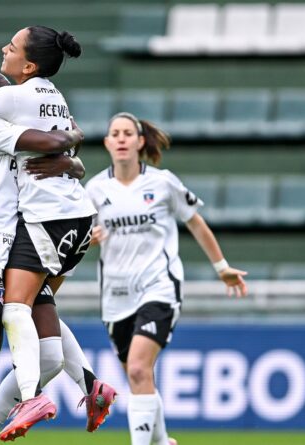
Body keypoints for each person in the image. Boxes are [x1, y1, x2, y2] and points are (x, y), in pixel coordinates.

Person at [0, 26, 115, 441]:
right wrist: (71, 150)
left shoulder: (8, 120)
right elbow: (52, 138)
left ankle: (85, 385)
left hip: (14, 246)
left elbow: (54, 148)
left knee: (49, 353)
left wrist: (71, 162)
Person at [85, 112, 248, 445]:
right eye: (114, 133)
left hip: (158, 286)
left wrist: (222, 268)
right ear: (106, 143)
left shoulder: (162, 182)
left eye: (127, 133)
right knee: (141, 376)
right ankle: (162, 441)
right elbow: (78, 237)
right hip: (116, 296)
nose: (120, 138)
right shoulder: (95, 189)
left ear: (140, 141)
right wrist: (89, 238)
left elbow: (195, 222)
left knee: (138, 370)